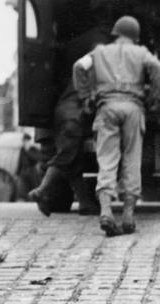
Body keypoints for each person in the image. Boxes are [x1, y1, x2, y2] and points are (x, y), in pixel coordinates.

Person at [73, 15, 160, 236]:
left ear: (116, 33)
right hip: (133, 108)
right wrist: (154, 98)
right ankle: (129, 215)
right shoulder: (142, 53)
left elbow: (79, 67)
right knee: (132, 159)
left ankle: (106, 211)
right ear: (135, 36)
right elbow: (156, 68)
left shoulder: (99, 52)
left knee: (107, 159)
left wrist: (86, 97)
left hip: (107, 108)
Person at [28, 24, 111, 217]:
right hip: (73, 118)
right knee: (66, 156)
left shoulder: (82, 74)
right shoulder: (97, 72)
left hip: (63, 114)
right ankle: (42, 190)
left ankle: (85, 203)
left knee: (74, 161)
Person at [16, 133, 43, 200]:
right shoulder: (22, 149)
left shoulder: (33, 149)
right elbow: (20, 161)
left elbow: (36, 158)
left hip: (32, 170)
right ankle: (25, 198)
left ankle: (34, 198)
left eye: (26, 141)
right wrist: (17, 173)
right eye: (24, 141)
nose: (25, 142)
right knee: (23, 187)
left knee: (34, 185)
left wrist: (28, 151)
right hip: (24, 171)